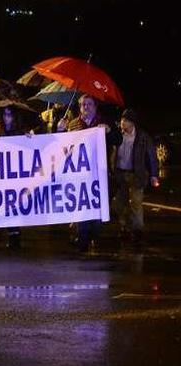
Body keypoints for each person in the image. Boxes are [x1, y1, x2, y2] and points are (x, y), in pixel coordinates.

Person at [57, 94, 110, 252]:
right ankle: (82, 240)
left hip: (98, 174)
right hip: (79, 176)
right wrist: (59, 130)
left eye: (88, 104)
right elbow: (61, 146)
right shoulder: (72, 124)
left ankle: (93, 235)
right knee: (82, 209)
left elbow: (117, 140)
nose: (85, 107)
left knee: (97, 212)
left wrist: (110, 131)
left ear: (95, 106)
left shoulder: (102, 124)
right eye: (82, 104)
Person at [111, 109, 159, 245]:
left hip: (136, 175)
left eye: (125, 121)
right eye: (122, 120)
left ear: (132, 123)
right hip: (120, 174)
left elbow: (151, 157)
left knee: (136, 203)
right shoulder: (118, 135)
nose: (122, 123)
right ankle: (124, 227)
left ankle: (137, 231)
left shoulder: (143, 137)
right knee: (120, 203)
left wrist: (154, 175)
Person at [0, 107, 29, 249]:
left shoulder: (19, 132)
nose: (7, 117)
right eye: (5, 114)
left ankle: (15, 233)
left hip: (15, 174)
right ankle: (11, 232)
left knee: (14, 203)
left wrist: (29, 138)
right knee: (5, 204)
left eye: (10, 114)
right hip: (1, 174)